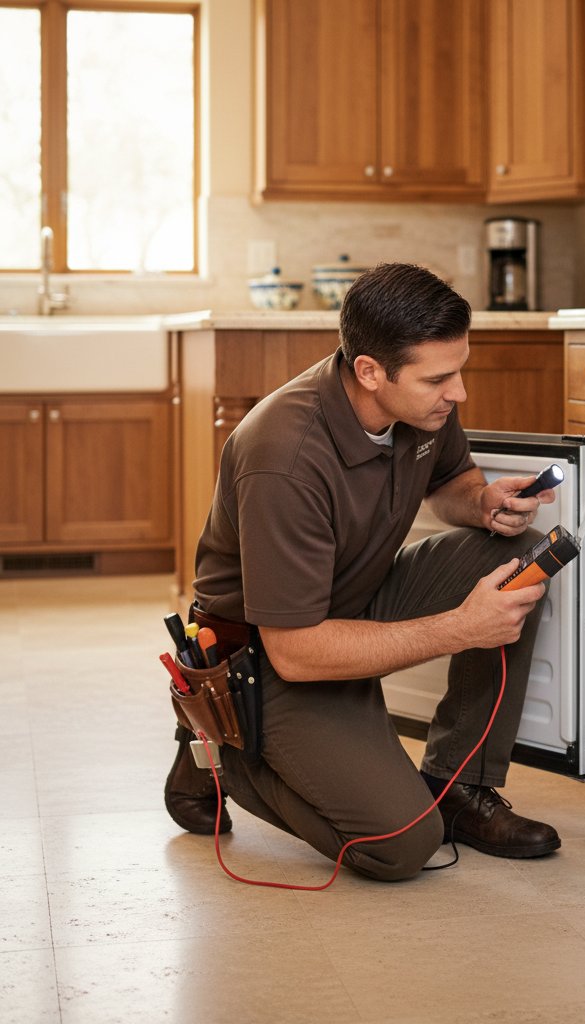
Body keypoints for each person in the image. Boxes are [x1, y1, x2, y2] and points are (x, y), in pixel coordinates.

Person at [164, 262, 562, 880]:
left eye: (460, 370)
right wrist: (462, 627)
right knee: (401, 845)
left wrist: (482, 502)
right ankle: (228, 752)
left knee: (521, 559)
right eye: (440, 379)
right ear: (370, 372)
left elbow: (451, 481)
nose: (458, 393)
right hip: (265, 657)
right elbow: (296, 652)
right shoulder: (284, 457)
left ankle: (458, 785)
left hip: (354, 600)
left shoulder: (420, 402)